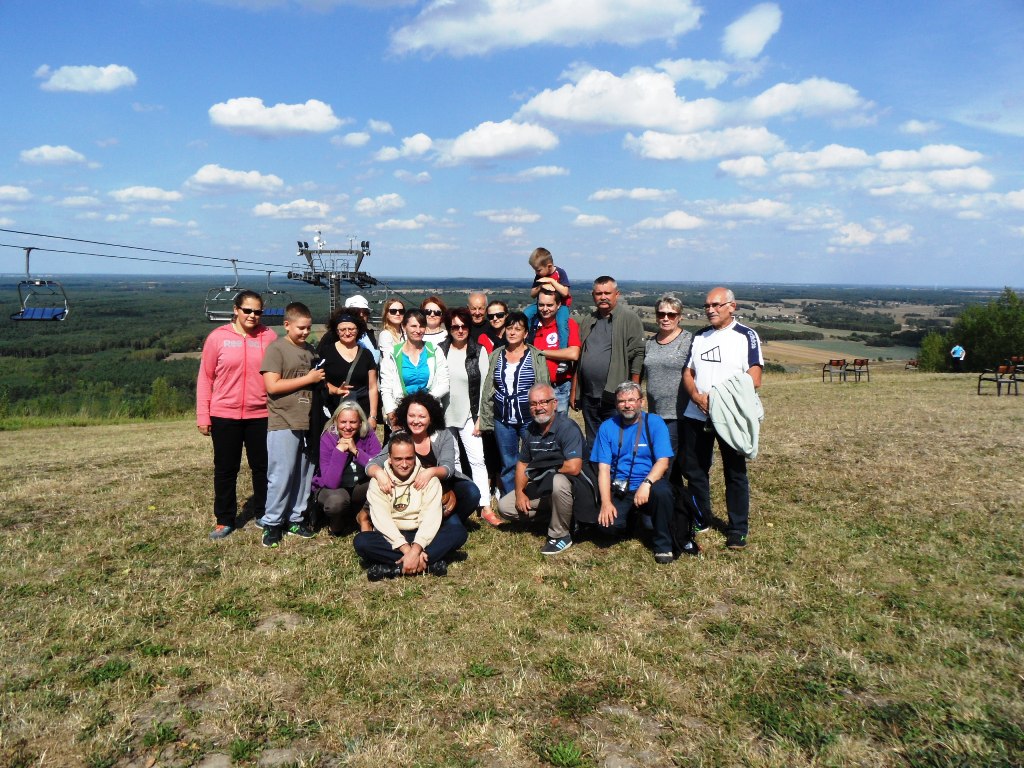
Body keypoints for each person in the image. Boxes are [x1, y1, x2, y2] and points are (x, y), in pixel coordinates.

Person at [681, 287, 763, 551]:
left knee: (735, 471)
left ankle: (737, 529)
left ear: (732, 306)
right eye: (707, 305)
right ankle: (701, 518)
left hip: (730, 416)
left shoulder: (746, 336)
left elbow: (754, 378)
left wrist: (717, 398)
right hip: (697, 414)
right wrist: (696, 396)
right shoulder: (700, 336)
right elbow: (688, 372)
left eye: (716, 305)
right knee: (695, 469)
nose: (710, 310)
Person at [197, 290, 277, 540]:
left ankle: (264, 512)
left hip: (260, 413)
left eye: (258, 311)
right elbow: (206, 378)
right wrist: (203, 415)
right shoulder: (217, 338)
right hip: (224, 414)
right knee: (225, 468)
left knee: (263, 467)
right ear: (236, 310)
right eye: (247, 310)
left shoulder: (269, 336)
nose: (253, 315)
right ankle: (225, 519)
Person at [355, 432, 468, 581]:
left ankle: (395, 568)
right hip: (392, 536)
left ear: (415, 457)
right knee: (362, 542)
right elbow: (382, 520)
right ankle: (428, 563)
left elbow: (430, 518)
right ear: (389, 459)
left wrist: (416, 548)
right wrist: (406, 549)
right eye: (398, 459)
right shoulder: (378, 482)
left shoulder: (428, 479)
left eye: (409, 458)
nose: (404, 464)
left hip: (420, 533)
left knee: (458, 532)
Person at [258, 302, 326, 548]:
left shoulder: (310, 351)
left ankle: (295, 518)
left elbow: (316, 382)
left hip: (308, 421)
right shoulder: (276, 349)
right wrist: (308, 378)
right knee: (282, 473)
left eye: (308, 328)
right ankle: (272, 522)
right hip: (284, 420)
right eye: (301, 328)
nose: (306, 332)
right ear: (287, 325)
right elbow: (272, 386)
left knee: (304, 474)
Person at [497, 384, 592, 555]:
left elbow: (574, 467)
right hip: (545, 486)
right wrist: (519, 492)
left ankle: (561, 535)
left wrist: (544, 470)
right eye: (533, 404)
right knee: (505, 507)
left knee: (558, 481)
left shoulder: (567, 427)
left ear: (554, 403)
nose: (538, 407)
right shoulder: (530, 430)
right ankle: (562, 518)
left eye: (543, 402)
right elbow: (523, 464)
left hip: (575, 487)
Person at [591, 382, 677, 564]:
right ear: (616, 404)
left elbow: (663, 462)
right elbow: (603, 469)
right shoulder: (607, 427)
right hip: (621, 487)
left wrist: (647, 484)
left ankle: (663, 546)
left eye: (631, 400)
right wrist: (606, 503)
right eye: (622, 401)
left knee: (662, 493)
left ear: (641, 402)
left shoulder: (655, 423)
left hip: (649, 484)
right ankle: (631, 519)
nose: (627, 405)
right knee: (607, 529)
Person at [366, 390, 481, 525]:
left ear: (431, 418)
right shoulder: (399, 438)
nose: (416, 421)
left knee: (472, 492)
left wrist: (431, 472)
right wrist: (379, 473)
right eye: (411, 416)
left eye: (422, 416)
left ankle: (448, 519)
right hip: (413, 493)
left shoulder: (443, 436)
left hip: (443, 488)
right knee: (453, 528)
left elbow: (448, 468)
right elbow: (372, 464)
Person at [479, 311, 552, 496]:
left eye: (517, 329)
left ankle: (534, 496)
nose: (512, 332)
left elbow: (544, 385)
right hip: (502, 418)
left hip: (529, 418)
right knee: (508, 462)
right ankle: (509, 499)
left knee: (534, 458)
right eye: (509, 328)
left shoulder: (536, 356)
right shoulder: (496, 355)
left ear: (525, 333)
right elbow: (488, 387)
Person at [573, 276, 646, 453]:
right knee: (593, 442)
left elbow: (638, 354)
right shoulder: (588, 320)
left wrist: (634, 390)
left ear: (617, 294)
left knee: (618, 442)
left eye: (607, 293)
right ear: (593, 296)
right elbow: (579, 358)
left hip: (616, 396)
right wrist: (575, 391)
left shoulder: (629, 318)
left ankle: (617, 471)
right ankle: (596, 470)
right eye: (599, 293)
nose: (603, 297)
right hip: (589, 395)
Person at [438, 307, 491, 519]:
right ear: (449, 329)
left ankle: (485, 505)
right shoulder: (440, 351)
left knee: (477, 459)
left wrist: (480, 418)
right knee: (454, 460)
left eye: (464, 326)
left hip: (470, 413)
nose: (460, 330)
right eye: (455, 327)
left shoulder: (479, 351)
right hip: (444, 414)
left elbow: (485, 387)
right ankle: (462, 503)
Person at [311, 400, 381, 536]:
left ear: (360, 423)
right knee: (336, 502)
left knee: (382, 482)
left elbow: (378, 465)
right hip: (332, 489)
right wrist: (339, 451)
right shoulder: (327, 437)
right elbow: (331, 482)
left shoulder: (368, 434)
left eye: (353, 422)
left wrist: (356, 452)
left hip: (358, 485)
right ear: (336, 422)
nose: (348, 427)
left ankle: (363, 514)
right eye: (343, 422)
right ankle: (336, 522)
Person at [379, 309, 450, 428]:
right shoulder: (393, 354)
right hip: (401, 414)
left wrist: (423, 402)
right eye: (413, 326)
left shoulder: (435, 350)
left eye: (421, 326)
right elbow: (386, 388)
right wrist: (391, 413)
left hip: (429, 412)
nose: (418, 330)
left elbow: (444, 384)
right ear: (404, 327)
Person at [642, 295, 693, 453]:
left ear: (679, 317)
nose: (665, 318)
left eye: (671, 314)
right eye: (661, 314)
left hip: (678, 413)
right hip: (655, 412)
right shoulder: (650, 343)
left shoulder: (688, 341)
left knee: (665, 458)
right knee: (659, 455)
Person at [316, 309, 379, 433]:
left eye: (351, 329)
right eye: (342, 329)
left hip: (362, 412)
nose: (347, 333)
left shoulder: (366, 354)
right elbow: (319, 380)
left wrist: (373, 416)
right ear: (336, 331)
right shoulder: (326, 352)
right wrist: (335, 390)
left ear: (358, 329)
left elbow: (372, 387)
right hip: (334, 411)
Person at [528, 288, 581, 414]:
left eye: (550, 305)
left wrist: (541, 352)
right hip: (535, 386)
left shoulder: (568, 324)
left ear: (558, 305)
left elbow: (573, 354)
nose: (545, 309)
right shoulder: (531, 325)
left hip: (559, 387)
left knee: (559, 424)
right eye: (541, 305)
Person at [522, 247, 572, 353]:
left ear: (549, 266)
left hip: (561, 305)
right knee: (526, 315)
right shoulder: (539, 275)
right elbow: (532, 294)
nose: (536, 272)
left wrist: (551, 281)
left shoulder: (560, 272)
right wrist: (541, 286)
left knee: (562, 323)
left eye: (538, 270)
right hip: (541, 304)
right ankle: (527, 341)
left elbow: (565, 292)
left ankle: (563, 350)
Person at [343, 294, 380, 364]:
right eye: (356, 312)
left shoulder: (372, 336)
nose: (361, 315)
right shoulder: (335, 336)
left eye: (365, 312)